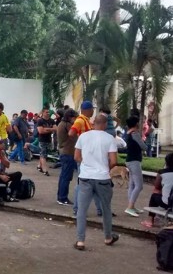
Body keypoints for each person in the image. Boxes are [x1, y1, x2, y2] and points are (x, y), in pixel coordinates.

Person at [73, 115, 119, 251]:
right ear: (105, 124)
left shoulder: (83, 137)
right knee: (106, 209)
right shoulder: (110, 138)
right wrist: (105, 168)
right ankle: (108, 237)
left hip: (85, 177)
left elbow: (76, 156)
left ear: (93, 123)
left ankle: (80, 240)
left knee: (82, 209)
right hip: (103, 178)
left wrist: (87, 164)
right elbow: (114, 161)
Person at [70, 100, 102, 216]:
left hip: (88, 156)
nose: (93, 111)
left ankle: (100, 209)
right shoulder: (80, 120)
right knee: (82, 184)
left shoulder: (87, 121)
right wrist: (82, 141)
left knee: (93, 183)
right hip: (83, 157)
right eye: (92, 109)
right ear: (87, 110)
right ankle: (77, 209)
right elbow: (71, 133)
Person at [141, 153, 173, 228]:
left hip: (167, 204)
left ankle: (150, 220)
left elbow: (157, 186)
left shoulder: (162, 172)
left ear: (166, 162)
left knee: (154, 195)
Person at [123, 116, 147, 217]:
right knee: (139, 185)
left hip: (130, 160)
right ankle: (130, 206)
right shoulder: (135, 134)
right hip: (134, 161)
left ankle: (131, 206)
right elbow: (144, 146)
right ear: (136, 124)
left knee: (132, 185)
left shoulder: (128, 133)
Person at [56, 108, 78, 206]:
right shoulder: (67, 125)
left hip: (64, 151)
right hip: (68, 152)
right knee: (66, 176)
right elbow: (74, 134)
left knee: (63, 176)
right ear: (70, 117)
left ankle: (61, 196)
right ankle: (63, 198)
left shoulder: (61, 124)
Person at [36, 108, 56, 176]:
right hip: (42, 140)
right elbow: (40, 131)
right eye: (46, 112)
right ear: (43, 113)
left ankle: (39, 166)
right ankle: (45, 170)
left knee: (44, 154)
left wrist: (46, 129)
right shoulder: (40, 121)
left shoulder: (52, 121)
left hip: (49, 140)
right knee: (43, 155)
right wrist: (51, 130)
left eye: (49, 112)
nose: (48, 113)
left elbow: (55, 129)